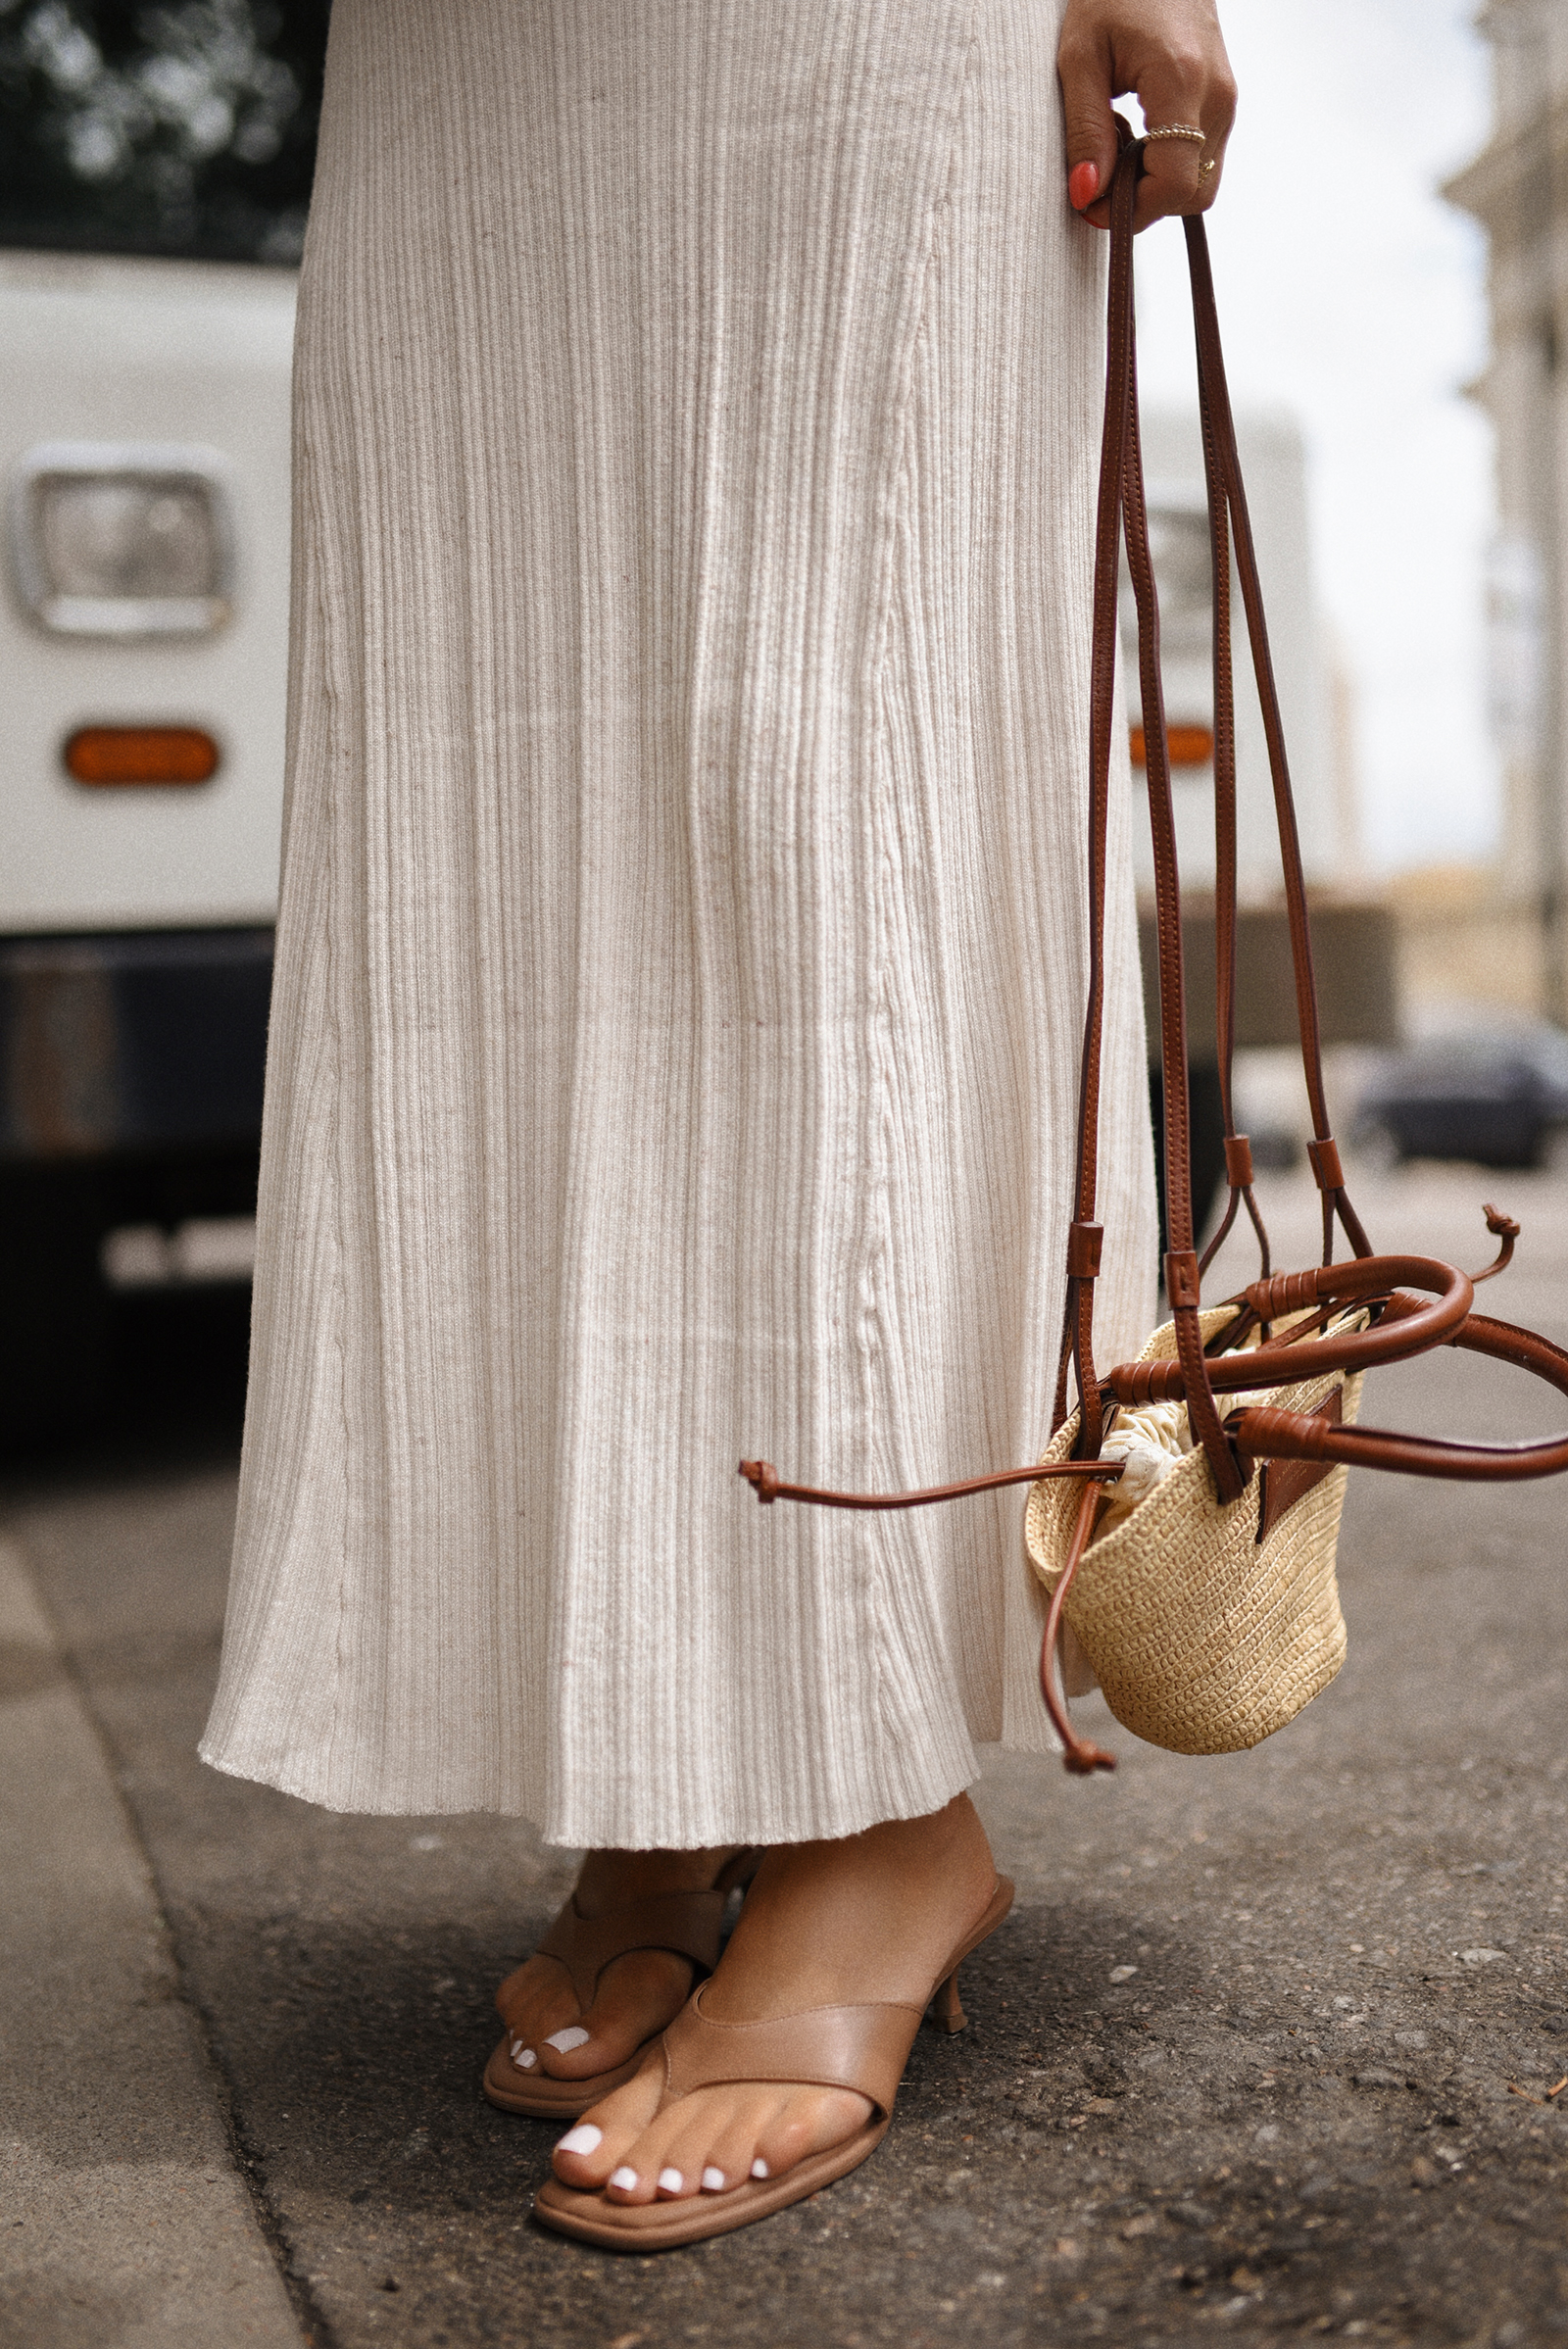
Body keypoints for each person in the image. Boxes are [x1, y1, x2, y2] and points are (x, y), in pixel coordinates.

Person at [201, 0, 1236, 2249]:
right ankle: (663, 1763)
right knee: (491, 783)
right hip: (457, 67)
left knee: (812, 769)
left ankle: (875, 1815)